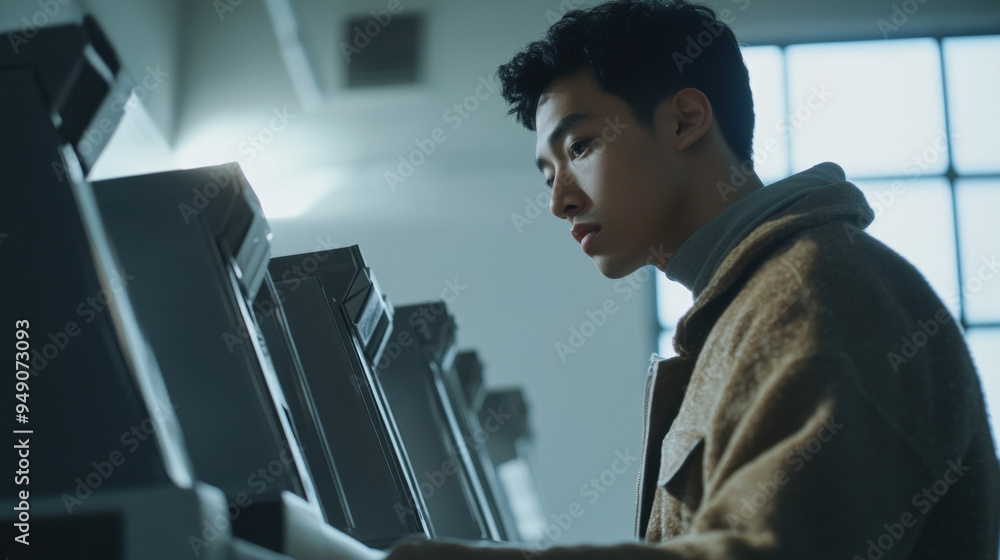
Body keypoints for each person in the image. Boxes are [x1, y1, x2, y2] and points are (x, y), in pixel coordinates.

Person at [344, 1, 1000, 558]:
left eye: (579, 148)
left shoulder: (815, 291)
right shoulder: (752, 303)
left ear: (685, 119)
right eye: (547, 175)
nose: (559, 201)